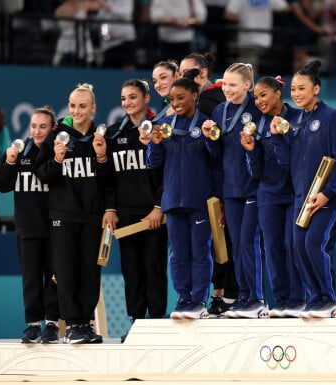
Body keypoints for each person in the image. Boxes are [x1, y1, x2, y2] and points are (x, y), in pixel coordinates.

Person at [34, 83, 114, 344]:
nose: (77, 111)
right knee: (66, 271)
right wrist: (56, 160)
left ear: (93, 108)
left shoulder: (101, 139)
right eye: (72, 106)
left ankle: (86, 324)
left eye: (82, 106)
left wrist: (102, 158)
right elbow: (41, 174)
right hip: (63, 216)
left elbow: (109, 180)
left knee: (90, 271)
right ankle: (71, 326)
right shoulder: (57, 137)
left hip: (92, 216)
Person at [269, 60, 336, 318]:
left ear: (316, 88)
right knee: (296, 246)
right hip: (301, 197)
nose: (296, 94)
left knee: (314, 243)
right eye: (293, 90)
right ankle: (315, 298)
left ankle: (330, 299)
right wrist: (278, 138)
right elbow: (286, 162)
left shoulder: (333, 118)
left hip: (328, 197)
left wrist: (327, 193)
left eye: (302, 88)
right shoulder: (295, 122)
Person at [98, 79, 168, 342]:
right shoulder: (113, 134)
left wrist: (159, 207)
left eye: (133, 98)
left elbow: (166, 174)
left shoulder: (159, 130)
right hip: (126, 215)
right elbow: (108, 178)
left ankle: (157, 322)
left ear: (146, 98)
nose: (127, 103)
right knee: (131, 269)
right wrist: (110, 208)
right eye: (124, 98)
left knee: (154, 266)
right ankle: (136, 323)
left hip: (153, 214)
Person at [147, 69, 215, 320]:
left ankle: (199, 300)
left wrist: (210, 140)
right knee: (178, 253)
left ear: (195, 95)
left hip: (199, 201)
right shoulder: (163, 126)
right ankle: (183, 298)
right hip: (173, 200)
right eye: (172, 99)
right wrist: (154, 143)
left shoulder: (206, 124)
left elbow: (216, 160)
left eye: (181, 98)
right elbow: (153, 163)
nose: (175, 103)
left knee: (200, 251)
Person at [201, 63, 266, 318]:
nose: (227, 89)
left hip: (253, 187)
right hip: (231, 189)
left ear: (247, 85)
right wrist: (209, 139)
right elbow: (216, 156)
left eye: (233, 85)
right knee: (237, 244)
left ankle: (256, 297)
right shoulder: (219, 110)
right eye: (225, 84)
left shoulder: (256, 109)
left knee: (249, 242)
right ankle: (243, 297)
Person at [0, 106, 60, 344]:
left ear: (53, 128)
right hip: (27, 228)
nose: (37, 131)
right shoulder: (19, 152)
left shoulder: (58, 153)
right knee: (30, 279)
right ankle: (32, 325)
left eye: (43, 126)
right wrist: (9, 162)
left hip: (54, 228)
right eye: (33, 126)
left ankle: (51, 324)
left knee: (53, 278)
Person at [240, 75, 305, 317]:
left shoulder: (298, 118)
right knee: (272, 247)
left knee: (292, 245)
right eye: (255, 97)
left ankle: (297, 299)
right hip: (267, 193)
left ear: (278, 93)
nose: (258, 101)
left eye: (263, 95)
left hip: (294, 192)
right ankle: (281, 300)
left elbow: (295, 161)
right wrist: (250, 152)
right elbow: (255, 172)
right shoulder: (256, 125)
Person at [179, 52, 238, 317]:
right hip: (218, 179)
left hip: (221, 179)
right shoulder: (213, 99)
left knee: (225, 239)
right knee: (221, 240)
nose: (182, 78)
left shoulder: (206, 100)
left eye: (188, 73)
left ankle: (227, 295)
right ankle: (223, 294)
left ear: (202, 74)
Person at [224, 0, 290, 73]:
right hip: (263, 40)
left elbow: (228, 14)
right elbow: (286, 7)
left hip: (248, 39)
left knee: (245, 71)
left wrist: (245, 18)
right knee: (247, 69)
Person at [96, 0, 138, 70]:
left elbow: (126, 14)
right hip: (109, 44)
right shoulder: (106, 2)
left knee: (128, 70)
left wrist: (108, 8)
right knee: (109, 72)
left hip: (125, 41)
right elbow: (101, 19)